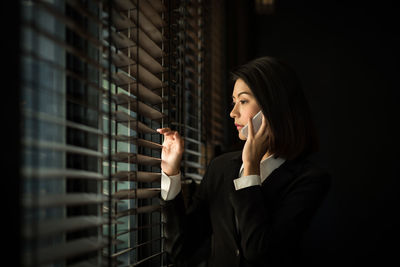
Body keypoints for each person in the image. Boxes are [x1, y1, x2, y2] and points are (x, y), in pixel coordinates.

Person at [157, 56, 331, 267]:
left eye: (243, 101)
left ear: (272, 106)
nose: (232, 113)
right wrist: (172, 173)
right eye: (234, 102)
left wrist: (250, 170)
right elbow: (181, 249)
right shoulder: (220, 167)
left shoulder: (309, 180)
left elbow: (259, 251)